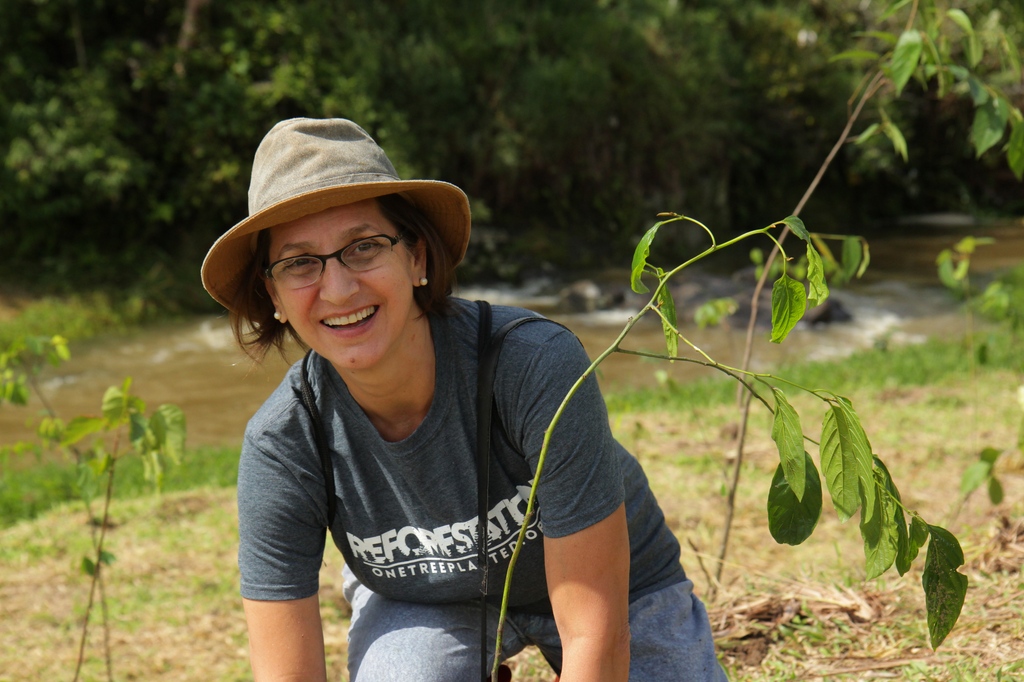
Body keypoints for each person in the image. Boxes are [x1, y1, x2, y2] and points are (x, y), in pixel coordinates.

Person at [201, 118, 726, 681]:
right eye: (299, 262)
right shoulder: (285, 442)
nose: (338, 288)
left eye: (363, 247)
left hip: (622, 586)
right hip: (427, 603)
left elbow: (595, 635)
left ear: (418, 259)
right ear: (273, 294)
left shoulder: (532, 364)